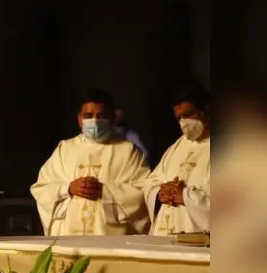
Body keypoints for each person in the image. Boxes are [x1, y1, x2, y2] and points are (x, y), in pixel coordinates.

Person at [30, 89, 151, 236]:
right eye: (88, 116)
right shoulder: (65, 149)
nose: (94, 120)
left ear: (113, 118)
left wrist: (105, 192)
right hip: (69, 238)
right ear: (80, 120)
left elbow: (143, 192)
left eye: (101, 116)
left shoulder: (128, 151)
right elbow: (42, 188)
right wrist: (68, 189)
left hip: (109, 240)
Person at [143, 85, 211, 235]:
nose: (184, 123)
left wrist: (185, 196)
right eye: (179, 118)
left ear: (207, 110)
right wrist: (160, 193)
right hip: (165, 235)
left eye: (189, 114)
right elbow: (151, 181)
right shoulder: (177, 146)